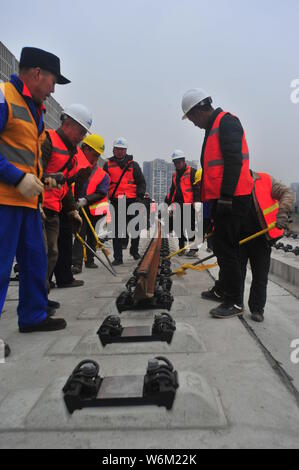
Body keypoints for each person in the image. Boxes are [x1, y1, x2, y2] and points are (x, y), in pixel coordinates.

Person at [0, 46, 70, 336]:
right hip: (5, 200)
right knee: (2, 267)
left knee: (35, 261)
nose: (53, 90)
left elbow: (28, 155)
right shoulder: (4, 96)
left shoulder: (35, 109)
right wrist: (16, 178)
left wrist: (44, 178)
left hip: (27, 202)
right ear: (37, 73)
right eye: (53, 81)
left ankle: (32, 316)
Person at [182, 88, 254, 318]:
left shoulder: (227, 123)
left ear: (199, 110)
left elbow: (234, 162)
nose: (193, 123)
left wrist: (226, 197)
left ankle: (234, 302)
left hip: (232, 199)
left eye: (192, 118)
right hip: (219, 199)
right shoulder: (212, 127)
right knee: (221, 247)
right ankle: (223, 289)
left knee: (228, 249)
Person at [202, 172, 294, 322]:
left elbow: (287, 193)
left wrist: (282, 213)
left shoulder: (264, 180)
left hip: (261, 238)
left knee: (260, 275)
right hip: (239, 239)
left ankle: (257, 309)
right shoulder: (230, 184)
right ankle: (236, 304)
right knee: (238, 273)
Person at [42, 104, 92, 290]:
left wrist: (71, 209)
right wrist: (53, 180)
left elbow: (65, 185)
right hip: (41, 207)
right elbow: (34, 174)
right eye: (80, 132)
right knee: (43, 254)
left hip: (54, 208)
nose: (81, 138)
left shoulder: (71, 152)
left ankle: (42, 298)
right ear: (68, 124)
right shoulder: (48, 141)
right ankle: (38, 300)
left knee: (52, 253)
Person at [103, 138, 146, 266]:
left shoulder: (134, 165)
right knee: (116, 231)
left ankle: (134, 250)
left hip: (132, 200)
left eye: (122, 149)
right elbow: (103, 182)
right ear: (113, 150)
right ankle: (118, 257)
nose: (120, 152)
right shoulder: (108, 165)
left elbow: (141, 182)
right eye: (117, 149)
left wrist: (139, 197)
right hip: (116, 201)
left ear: (126, 150)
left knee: (135, 228)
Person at [72, 134, 110, 273]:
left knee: (93, 236)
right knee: (79, 235)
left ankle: (90, 260)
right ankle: (76, 263)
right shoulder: (75, 164)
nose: (95, 158)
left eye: (97, 156)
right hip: (79, 207)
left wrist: (85, 200)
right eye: (94, 154)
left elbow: (101, 192)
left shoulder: (103, 175)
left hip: (94, 209)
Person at [166, 150, 200, 257]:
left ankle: (193, 249)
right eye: (175, 162)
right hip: (178, 205)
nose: (177, 164)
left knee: (189, 227)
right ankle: (181, 248)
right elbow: (172, 191)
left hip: (189, 204)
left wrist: (196, 201)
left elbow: (197, 188)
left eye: (179, 162)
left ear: (184, 161)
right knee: (179, 227)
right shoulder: (175, 175)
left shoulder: (192, 172)